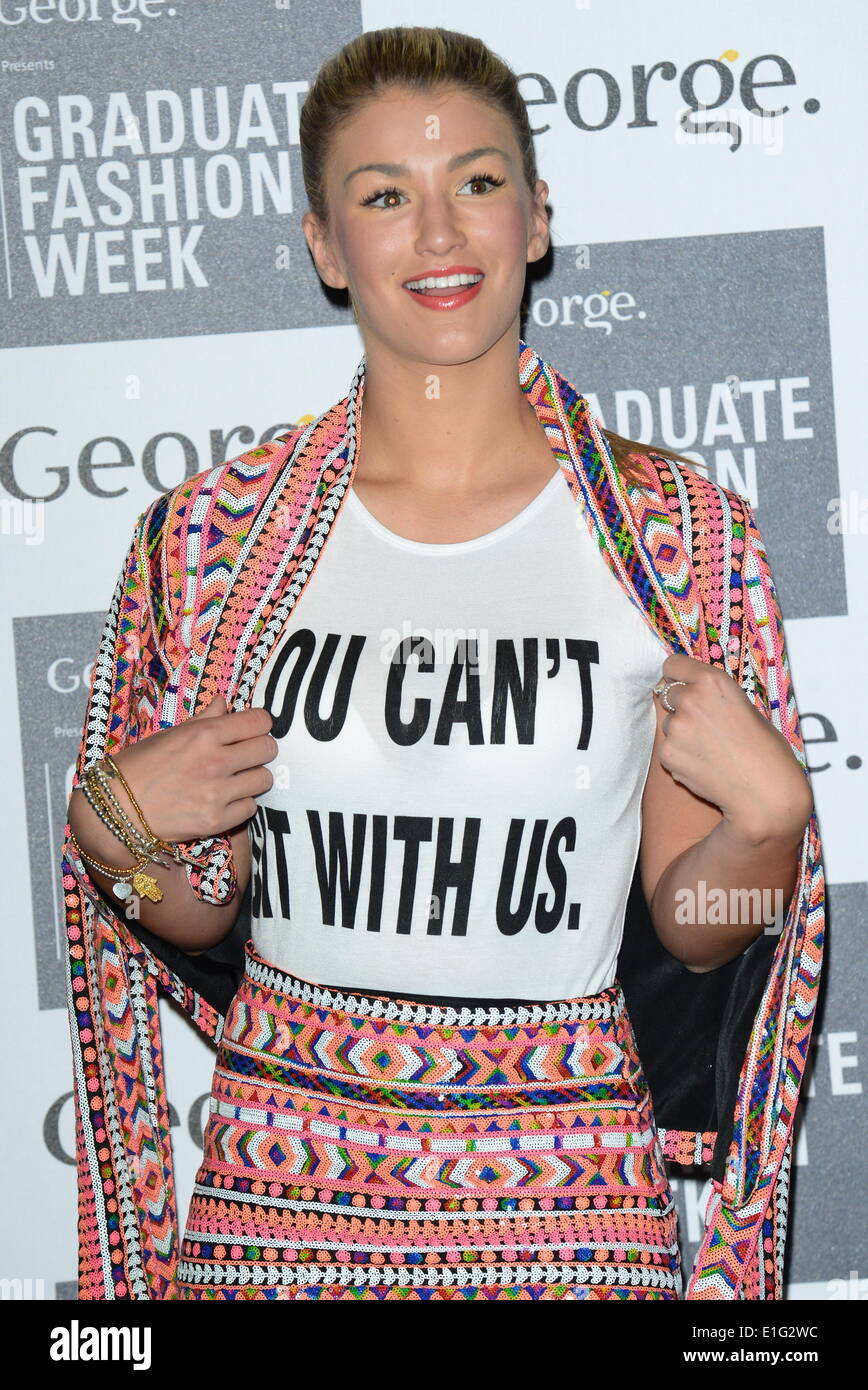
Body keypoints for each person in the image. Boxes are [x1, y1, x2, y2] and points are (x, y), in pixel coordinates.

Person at [61, 26, 824, 1301]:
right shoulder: (213, 540)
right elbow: (194, 915)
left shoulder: (671, 535)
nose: (435, 235)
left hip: (573, 1212)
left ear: (534, 218)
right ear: (321, 244)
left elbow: (700, 936)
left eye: (475, 183)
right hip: (279, 1204)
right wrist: (110, 831)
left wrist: (774, 824)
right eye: (382, 197)